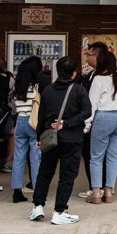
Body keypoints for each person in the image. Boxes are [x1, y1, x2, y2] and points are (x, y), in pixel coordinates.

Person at [30, 56, 91, 224]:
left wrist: (38, 137)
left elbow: (40, 116)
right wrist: (68, 123)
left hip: (50, 138)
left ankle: (37, 207)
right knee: (67, 175)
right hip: (72, 139)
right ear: (73, 73)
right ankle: (60, 211)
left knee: (45, 172)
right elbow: (87, 112)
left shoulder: (48, 90)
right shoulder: (79, 90)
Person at [86, 52, 117, 205]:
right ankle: (109, 192)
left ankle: (96, 193)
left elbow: (92, 104)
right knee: (113, 156)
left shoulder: (98, 79)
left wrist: (87, 124)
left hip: (103, 118)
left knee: (96, 157)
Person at [10, 56, 46, 203]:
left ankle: (16, 191)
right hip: (33, 121)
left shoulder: (16, 87)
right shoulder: (36, 86)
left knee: (18, 157)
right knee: (35, 157)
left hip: (20, 121)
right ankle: (37, 190)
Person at [77, 41, 109, 199]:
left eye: (88, 54)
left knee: (95, 155)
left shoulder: (102, 76)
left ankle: (99, 187)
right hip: (89, 119)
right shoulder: (90, 75)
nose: (87, 57)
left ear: (96, 56)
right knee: (90, 154)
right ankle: (97, 186)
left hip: (96, 120)